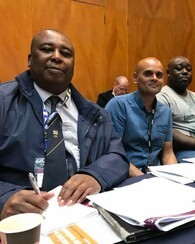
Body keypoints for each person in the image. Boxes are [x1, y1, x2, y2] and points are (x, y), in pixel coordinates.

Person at [0, 29, 129, 220]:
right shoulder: (3, 101)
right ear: (29, 59)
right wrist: (4, 197)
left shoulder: (95, 113)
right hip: (22, 220)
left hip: (85, 214)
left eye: (66, 54)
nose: (57, 57)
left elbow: (117, 155)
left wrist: (95, 175)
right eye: (47, 49)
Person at [105, 57, 177, 176]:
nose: (154, 78)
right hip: (124, 175)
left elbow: (168, 153)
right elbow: (112, 153)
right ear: (135, 78)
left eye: (159, 75)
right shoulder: (118, 105)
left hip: (156, 175)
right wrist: (143, 179)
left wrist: (177, 178)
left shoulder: (165, 111)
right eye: (148, 74)